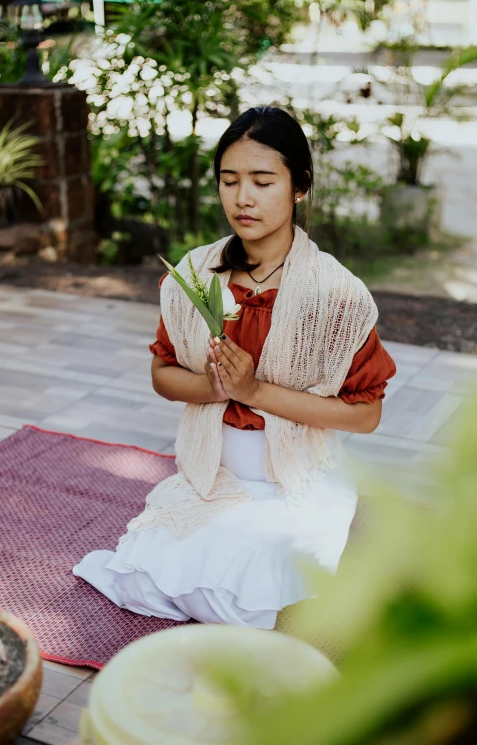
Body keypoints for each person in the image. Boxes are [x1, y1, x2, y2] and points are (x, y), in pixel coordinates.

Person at [73, 106, 396, 629]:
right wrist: (212, 385)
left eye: (263, 181)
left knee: (242, 590)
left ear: (300, 187)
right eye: (229, 181)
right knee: (144, 573)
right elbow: (162, 374)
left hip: (294, 479)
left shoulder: (335, 295)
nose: (243, 198)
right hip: (211, 471)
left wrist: (254, 390)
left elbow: (365, 415)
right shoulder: (196, 274)